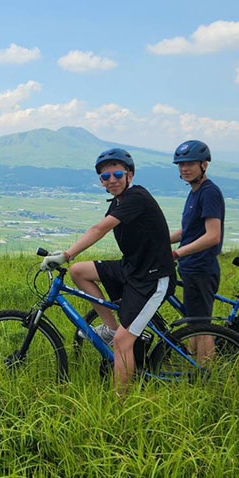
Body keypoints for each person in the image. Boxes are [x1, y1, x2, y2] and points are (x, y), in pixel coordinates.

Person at [41, 148, 174, 394]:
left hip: (152, 277)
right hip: (131, 268)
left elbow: (99, 229)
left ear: (129, 175)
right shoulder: (119, 201)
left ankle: (119, 403)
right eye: (105, 177)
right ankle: (110, 327)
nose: (111, 180)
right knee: (79, 272)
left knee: (124, 343)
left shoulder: (136, 197)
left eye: (117, 174)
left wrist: (67, 254)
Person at [169, 139, 224, 359]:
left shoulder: (209, 192)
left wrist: (176, 253)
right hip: (191, 267)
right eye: (181, 165)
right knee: (193, 321)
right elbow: (187, 231)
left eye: (190, 164)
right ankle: (195, 364)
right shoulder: (195, 192)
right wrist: (160, 243)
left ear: (204, 165)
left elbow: (212, 235)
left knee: (202, 325)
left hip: (201, 268)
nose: (185, 169)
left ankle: (206, 373)